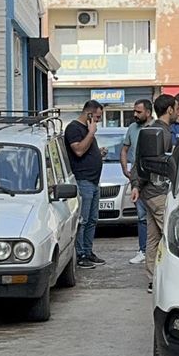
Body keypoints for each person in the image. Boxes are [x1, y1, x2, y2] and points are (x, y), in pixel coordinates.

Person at [130, 94, 176, 293]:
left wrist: (136, 186)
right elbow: (144, 163)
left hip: (150, 193)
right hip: (157, 193)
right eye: (176, 107)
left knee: (153, 237)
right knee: (170, 236)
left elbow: (138, 161)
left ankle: (152, 279)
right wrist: (136, 185)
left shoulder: (154, 131)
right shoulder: (159, 133)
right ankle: (168, 279)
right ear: (170, 110)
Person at [65, 100, 106, 269]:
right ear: (89, 114)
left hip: (93, 181)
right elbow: (79, 150)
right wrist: (91, 133)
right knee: (82, 220)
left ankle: (88, 251)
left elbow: (87, 149)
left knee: (92, 220)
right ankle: (80, 254)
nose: (98, 121)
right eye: (97, 117)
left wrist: (98, 153)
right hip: (83, 180)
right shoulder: (74, 128)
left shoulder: (88, 130)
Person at [120, 98, 153, 265]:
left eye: (138, 112)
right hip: (136, 175)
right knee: (141, 216)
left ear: (148, 112)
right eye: (134, 111)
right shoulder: (132, 128)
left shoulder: (156, 127)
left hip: (154, 177)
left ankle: (155, 251)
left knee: (155, 216)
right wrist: (125, 168)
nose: (135, 114)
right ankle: (142, 250)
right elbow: (124, 150)